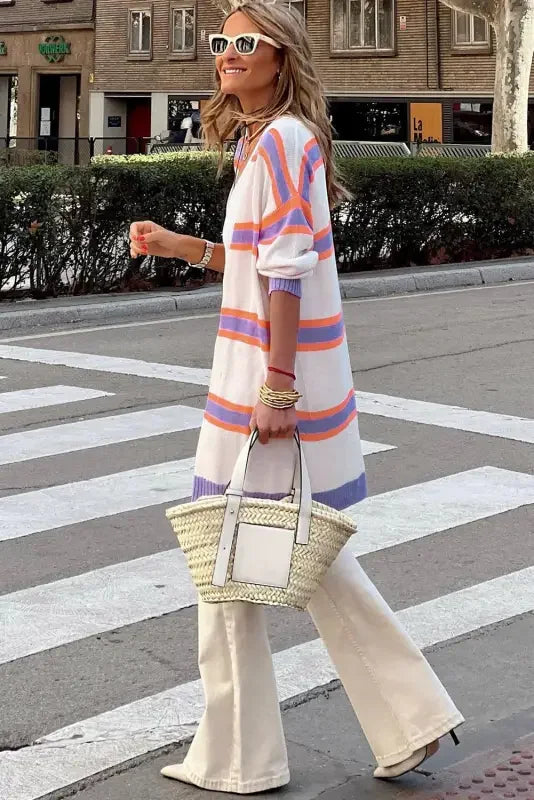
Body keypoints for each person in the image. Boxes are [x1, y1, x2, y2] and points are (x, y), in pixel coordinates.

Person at [129, 1, 464, 793]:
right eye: (222, 42)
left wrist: (277, 387)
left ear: (283, 56)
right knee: (295, 546)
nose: (228, 54)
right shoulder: (265, 143)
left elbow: (284, 273)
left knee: (227, 552)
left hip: (266, 378)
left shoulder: (281, 140)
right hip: (262, 372)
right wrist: (186, 247)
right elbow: (261, 263)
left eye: (247, 42)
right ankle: (410, 716)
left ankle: (242, 758)